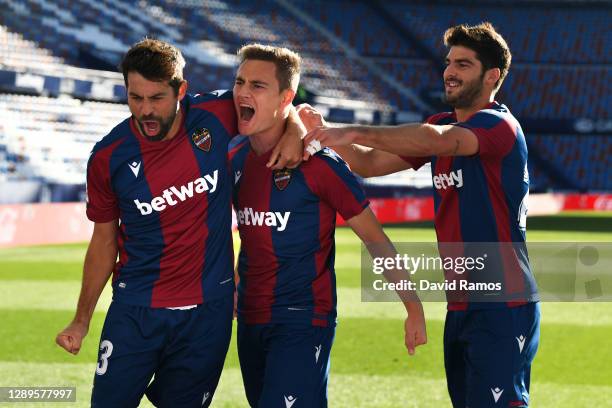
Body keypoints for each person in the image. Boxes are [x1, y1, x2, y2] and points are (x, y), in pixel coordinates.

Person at [54, 38, 305, 408]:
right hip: (136, 310)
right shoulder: (108, 158)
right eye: (135, 98)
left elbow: (279, 105)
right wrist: (81, 320)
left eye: (156, 98)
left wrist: (297, 127)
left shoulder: (217, 114)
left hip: (209, 313)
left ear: (181, 91)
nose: (145, 111)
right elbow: (104, 242)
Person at [301, 23, 540, 408]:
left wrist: (351, 130)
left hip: (504, 304)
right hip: (462, 303)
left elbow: (439, 142)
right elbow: (368, 163)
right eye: (449, 63)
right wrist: (325, 133)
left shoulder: (500, 126)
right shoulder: (439, 124)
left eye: (463, 64)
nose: (450, 71)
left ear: (491, 76)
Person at [229, 43, 426, 408]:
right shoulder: (234, 159)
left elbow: (374, 238)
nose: (242, 91)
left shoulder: (321, 165)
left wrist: (413, 306)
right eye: (240, 81)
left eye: (258, 85)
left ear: (285, 97)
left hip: (304, 319)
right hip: (251, 319)